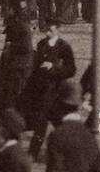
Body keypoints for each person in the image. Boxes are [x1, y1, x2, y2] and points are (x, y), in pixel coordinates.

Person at [25, 20, 76, 160]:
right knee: (40, 122)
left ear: (58, 30)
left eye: (51, 30)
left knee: (59, 123)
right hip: (42, 91)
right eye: (46, 29)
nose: (47, 32)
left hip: (57, 91)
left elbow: (71, 69)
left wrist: (53, 67)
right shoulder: (41, 44)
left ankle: (69, 151)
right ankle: (32, 153)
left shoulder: (64, 47)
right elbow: (35, 67)